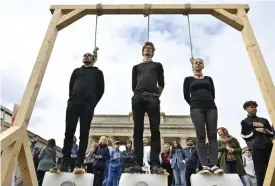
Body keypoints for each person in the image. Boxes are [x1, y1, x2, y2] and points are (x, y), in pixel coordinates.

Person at [59, 51, 105, 173]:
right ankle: (65, 162)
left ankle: (79, 162)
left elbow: (101, 90)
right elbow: (71, 86)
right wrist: (73, 98)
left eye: (89, 55)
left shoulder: (98, 73)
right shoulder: (76, 71)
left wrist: (92, 103)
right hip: (73, 103)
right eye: (84, 55)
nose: (86, 56)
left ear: (93, 59)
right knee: (69, 133)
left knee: (84, 134)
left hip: (87, 106)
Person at [125, 41, 165, 174]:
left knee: (155, 130)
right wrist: (138, 94)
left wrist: (155, 95)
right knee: (137, 130)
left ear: (153, 52)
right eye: (146, 48)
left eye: (150, 48)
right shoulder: (136, 67)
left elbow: (161, 83)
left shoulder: (157, 65)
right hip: (138, 98)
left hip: (152, 98)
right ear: (142, 51)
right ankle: (137, 162)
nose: (148, 50)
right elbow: (133, 85)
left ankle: (154, 163)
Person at [183, 58, 223, 175]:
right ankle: (205, 165)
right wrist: (194, 104)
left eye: (201, 62)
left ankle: (214, 164)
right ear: (193, 65)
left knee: (212, 136)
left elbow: (213, 94)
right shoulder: (188, 79)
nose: (198, 64)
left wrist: (207, 102)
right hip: (196, 108)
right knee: (200, 135)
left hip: (211, 107)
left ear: (203, 65)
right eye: (196, 62)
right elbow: (186, 95)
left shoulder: (209, 79)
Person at [241, 101, 274, 186]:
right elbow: (244, 135)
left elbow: (272, 133)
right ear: (246, 109)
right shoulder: (245, 122)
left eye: (255, 107)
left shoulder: (264, 120)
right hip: (256, 148)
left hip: (269, 147)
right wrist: (255, 130)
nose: (254, 108)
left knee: (273, 169)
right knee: (260, 172)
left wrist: (265, 130)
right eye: (252, 107)